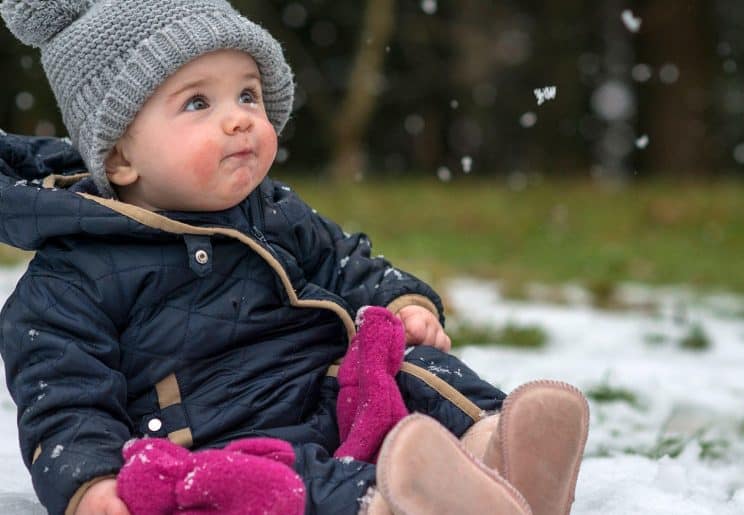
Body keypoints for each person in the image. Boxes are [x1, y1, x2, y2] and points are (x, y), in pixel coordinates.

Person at [0, 1, 589, 514]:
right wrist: (87, 483)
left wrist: (402, 301)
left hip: (331, 393)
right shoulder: (69, 279)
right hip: (220, 439)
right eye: (197, 102)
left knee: (413, 371)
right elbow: (64, 399)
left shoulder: (273, 210)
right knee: (275, 486)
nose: (239, 117)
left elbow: (345, 262)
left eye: (248, 93)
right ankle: (396, 501)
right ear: (122, 157)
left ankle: (499, 450)